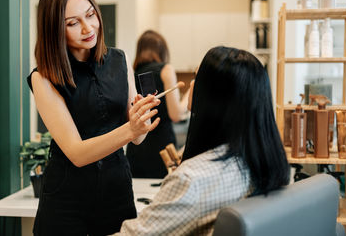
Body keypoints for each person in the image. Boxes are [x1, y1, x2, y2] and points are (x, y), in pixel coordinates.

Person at [27, 0, 161, 236]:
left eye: (90, 15)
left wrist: (141, 119)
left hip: (116, 191)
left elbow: (138, 139)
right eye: (72, 23)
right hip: (67, 199)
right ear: (54, 29)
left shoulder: (119, 60)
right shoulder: (43, 77)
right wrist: (131, 130)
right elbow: (77, 153)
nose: (88, 28)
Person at [112, 46, 290, 235]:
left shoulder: (190, 180)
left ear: (215, 97)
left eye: (197, 78)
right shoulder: (266, 163)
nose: (190, 85)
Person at [126, 30, 190, 178]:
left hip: (136, 149)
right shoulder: (166, 70)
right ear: (162, 50)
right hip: (163, 149)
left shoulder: (132, 74)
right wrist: (189, 93)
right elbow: (176, 115)